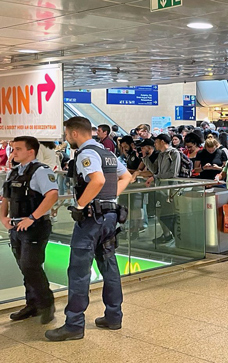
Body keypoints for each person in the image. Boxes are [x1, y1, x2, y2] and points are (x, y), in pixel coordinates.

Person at [46, 116, 133, 341]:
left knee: (78, 270)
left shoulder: (86, 153)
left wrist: (80, 205)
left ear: (75, 133)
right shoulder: (108, 153)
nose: (66, 138)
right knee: (109, 265)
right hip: (110, 216)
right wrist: (110, 198)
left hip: (92, 219)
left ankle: (74, 324)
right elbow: (126, 176)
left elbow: (97, 180)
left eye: (67, 134)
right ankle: (114, 316)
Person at [1, 136, 58, 324]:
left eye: (17, 149)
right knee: (23, 266)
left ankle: (47, 303)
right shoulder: (15, 172)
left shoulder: (40, 171)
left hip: (35, 227)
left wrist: (32, 218)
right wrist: (3, 217)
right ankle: (32, 304)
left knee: (30, 265)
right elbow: (6, 198)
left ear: (30, 151)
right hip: (16, 226)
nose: (13, 152)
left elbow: (52, 195)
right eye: (13, 149)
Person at [141, 134, 183, 244]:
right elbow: (155, 170)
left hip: (170, 189)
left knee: (169, 213)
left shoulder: (173, 153)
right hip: (160, 188)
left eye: (156, 142)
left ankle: (175, 236)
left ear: (163, 141)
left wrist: (155, 177)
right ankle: (166, 234)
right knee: (160, 213)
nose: (155, 144)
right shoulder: (161, 155)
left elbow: (172, 173)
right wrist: (145, 157)